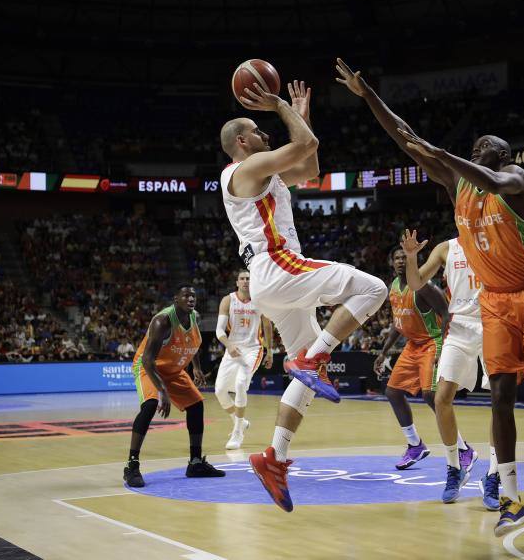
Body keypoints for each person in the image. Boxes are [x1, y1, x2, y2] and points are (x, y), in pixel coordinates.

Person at [335, 58, 524, 535]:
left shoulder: (514, 181)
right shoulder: (456, 183)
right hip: (493, 305)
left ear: (503, 155)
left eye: (488, 145)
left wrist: (443, 152)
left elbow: (487, 177)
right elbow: (406, 139)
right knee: (500, 396)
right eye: (476, 145)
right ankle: (509, 496)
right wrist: (370, 98)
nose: (480, 147)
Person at [220, 79, 387, 512]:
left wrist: (300, 110)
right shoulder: (244, 170)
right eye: (258, 131)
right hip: (278, 266)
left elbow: (309, 165)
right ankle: (312, 359)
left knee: (306, 383)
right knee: (374, 288)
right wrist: (279, 105)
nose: (266, 133)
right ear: (242, 141)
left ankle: (273, 458)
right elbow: (305, 141)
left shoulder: (265, 173)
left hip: (273, 283)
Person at [400, 229, 500, 508]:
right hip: (458, 328)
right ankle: (454, 468)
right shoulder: (446, 248)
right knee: (441, 397)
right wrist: (411, 256)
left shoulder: (496, 238)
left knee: (499, 400)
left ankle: (493, 475)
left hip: (492, 324)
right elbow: (417, 283)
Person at [123, 285, 225, 488]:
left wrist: (196, 367)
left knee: (196, 404)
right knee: (151, 404)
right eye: (186, 295)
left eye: (193, 296)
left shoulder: (194, 317)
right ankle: (132, 466)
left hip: (173, 369)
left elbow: (192, 343)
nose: (190, 299)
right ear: (175, 299)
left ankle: (195, 463)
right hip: (149, 367)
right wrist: (162, 391)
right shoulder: (163, 321)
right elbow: (148, 360)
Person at [374, 247, 449, 472]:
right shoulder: (394, 288)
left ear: (412, 262)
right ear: (391, 262)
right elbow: (398, 324)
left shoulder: (423, 287)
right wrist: (384, 352)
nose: (400, 261)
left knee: (431, 395)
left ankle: (462, 448)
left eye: (404, 258)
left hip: (431, 341)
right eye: (396, 258)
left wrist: (443, 347)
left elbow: (446, 313)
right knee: (393, 392)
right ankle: (415, 444)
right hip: (412, 345)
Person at [214, 269, 274, 449]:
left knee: (240, 385)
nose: (246, 281)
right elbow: (219, 331)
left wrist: (269, 350)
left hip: (253, 349)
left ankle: (237, 433)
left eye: (248, 278)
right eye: (242, 278)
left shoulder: (260, 301)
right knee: (220, 391)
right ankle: (240, 421)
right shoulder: (228, 300)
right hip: (232, 349)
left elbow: (267, 325)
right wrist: (228, 344)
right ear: (237, 282)